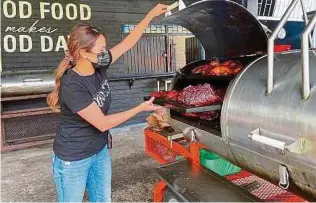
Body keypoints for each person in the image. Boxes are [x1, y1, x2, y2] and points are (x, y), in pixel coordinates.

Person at [47, 4, 168, 202]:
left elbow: (127, 43)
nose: (105, 52)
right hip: (73, 158)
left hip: (99, 151)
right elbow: (102, 123)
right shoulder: (72, 84)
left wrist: (149, 16)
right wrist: (140, 108)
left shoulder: (98, 65)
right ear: (84, 53)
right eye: (101, 49)